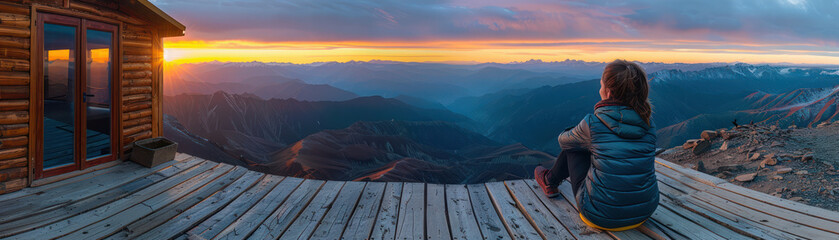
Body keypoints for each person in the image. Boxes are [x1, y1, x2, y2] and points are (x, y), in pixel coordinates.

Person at [534, 59, 659, 231]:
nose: (599, 89)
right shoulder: (648, 123)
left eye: (601, 85)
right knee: (595, 146)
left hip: (599, 215)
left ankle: (549, 181)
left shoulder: (593, 124)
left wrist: (579, 132)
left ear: (608, 93)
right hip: (644, 211)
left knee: (574, 147)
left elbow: (563, 141)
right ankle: (550, 180)